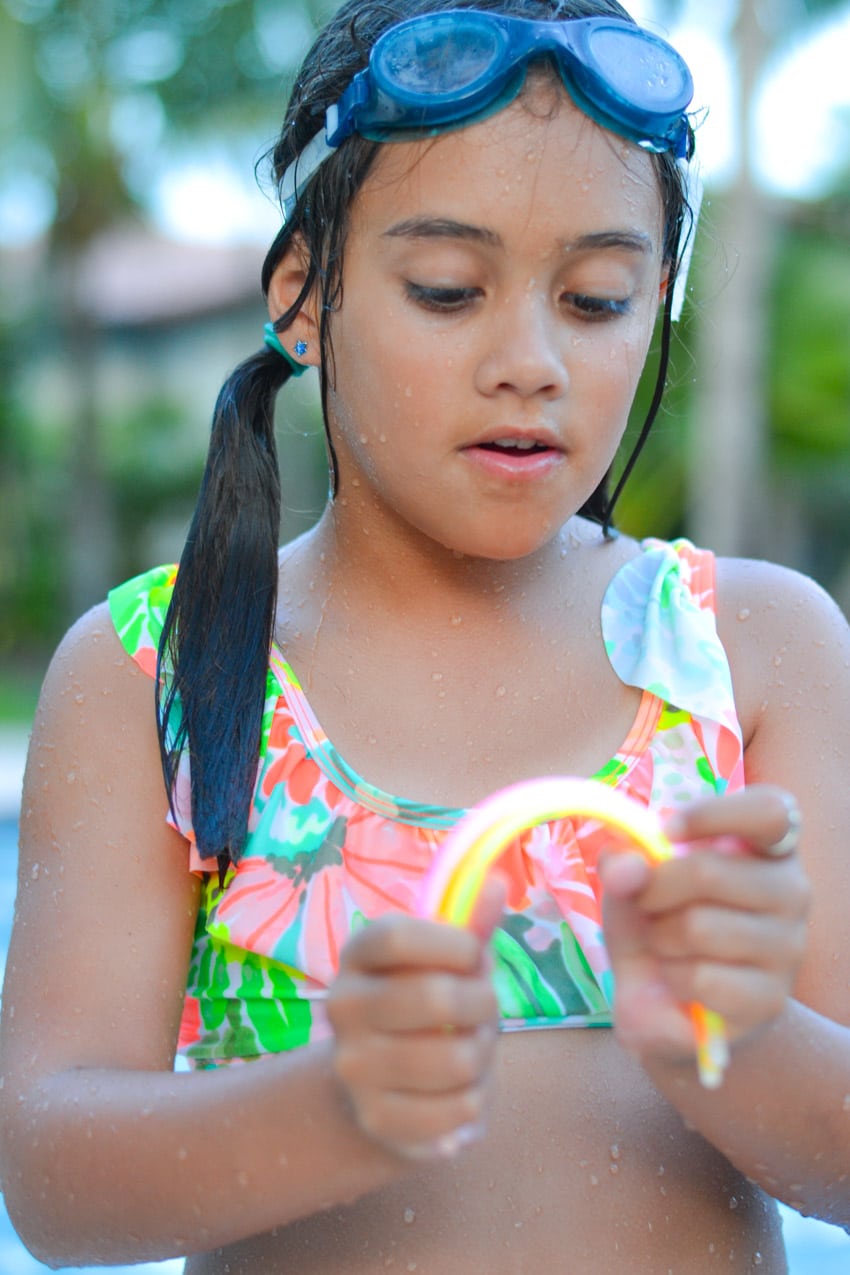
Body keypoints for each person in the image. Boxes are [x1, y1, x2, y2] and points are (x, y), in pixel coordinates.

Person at [2, 0, 849, 1270]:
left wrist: (738, 1038)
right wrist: (332, 1110)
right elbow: (51, 1185)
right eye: (448, 291)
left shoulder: (753, 649)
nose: (530, 359)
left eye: (597, 299)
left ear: (657, 302)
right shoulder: (159, 671)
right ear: (303, 298)